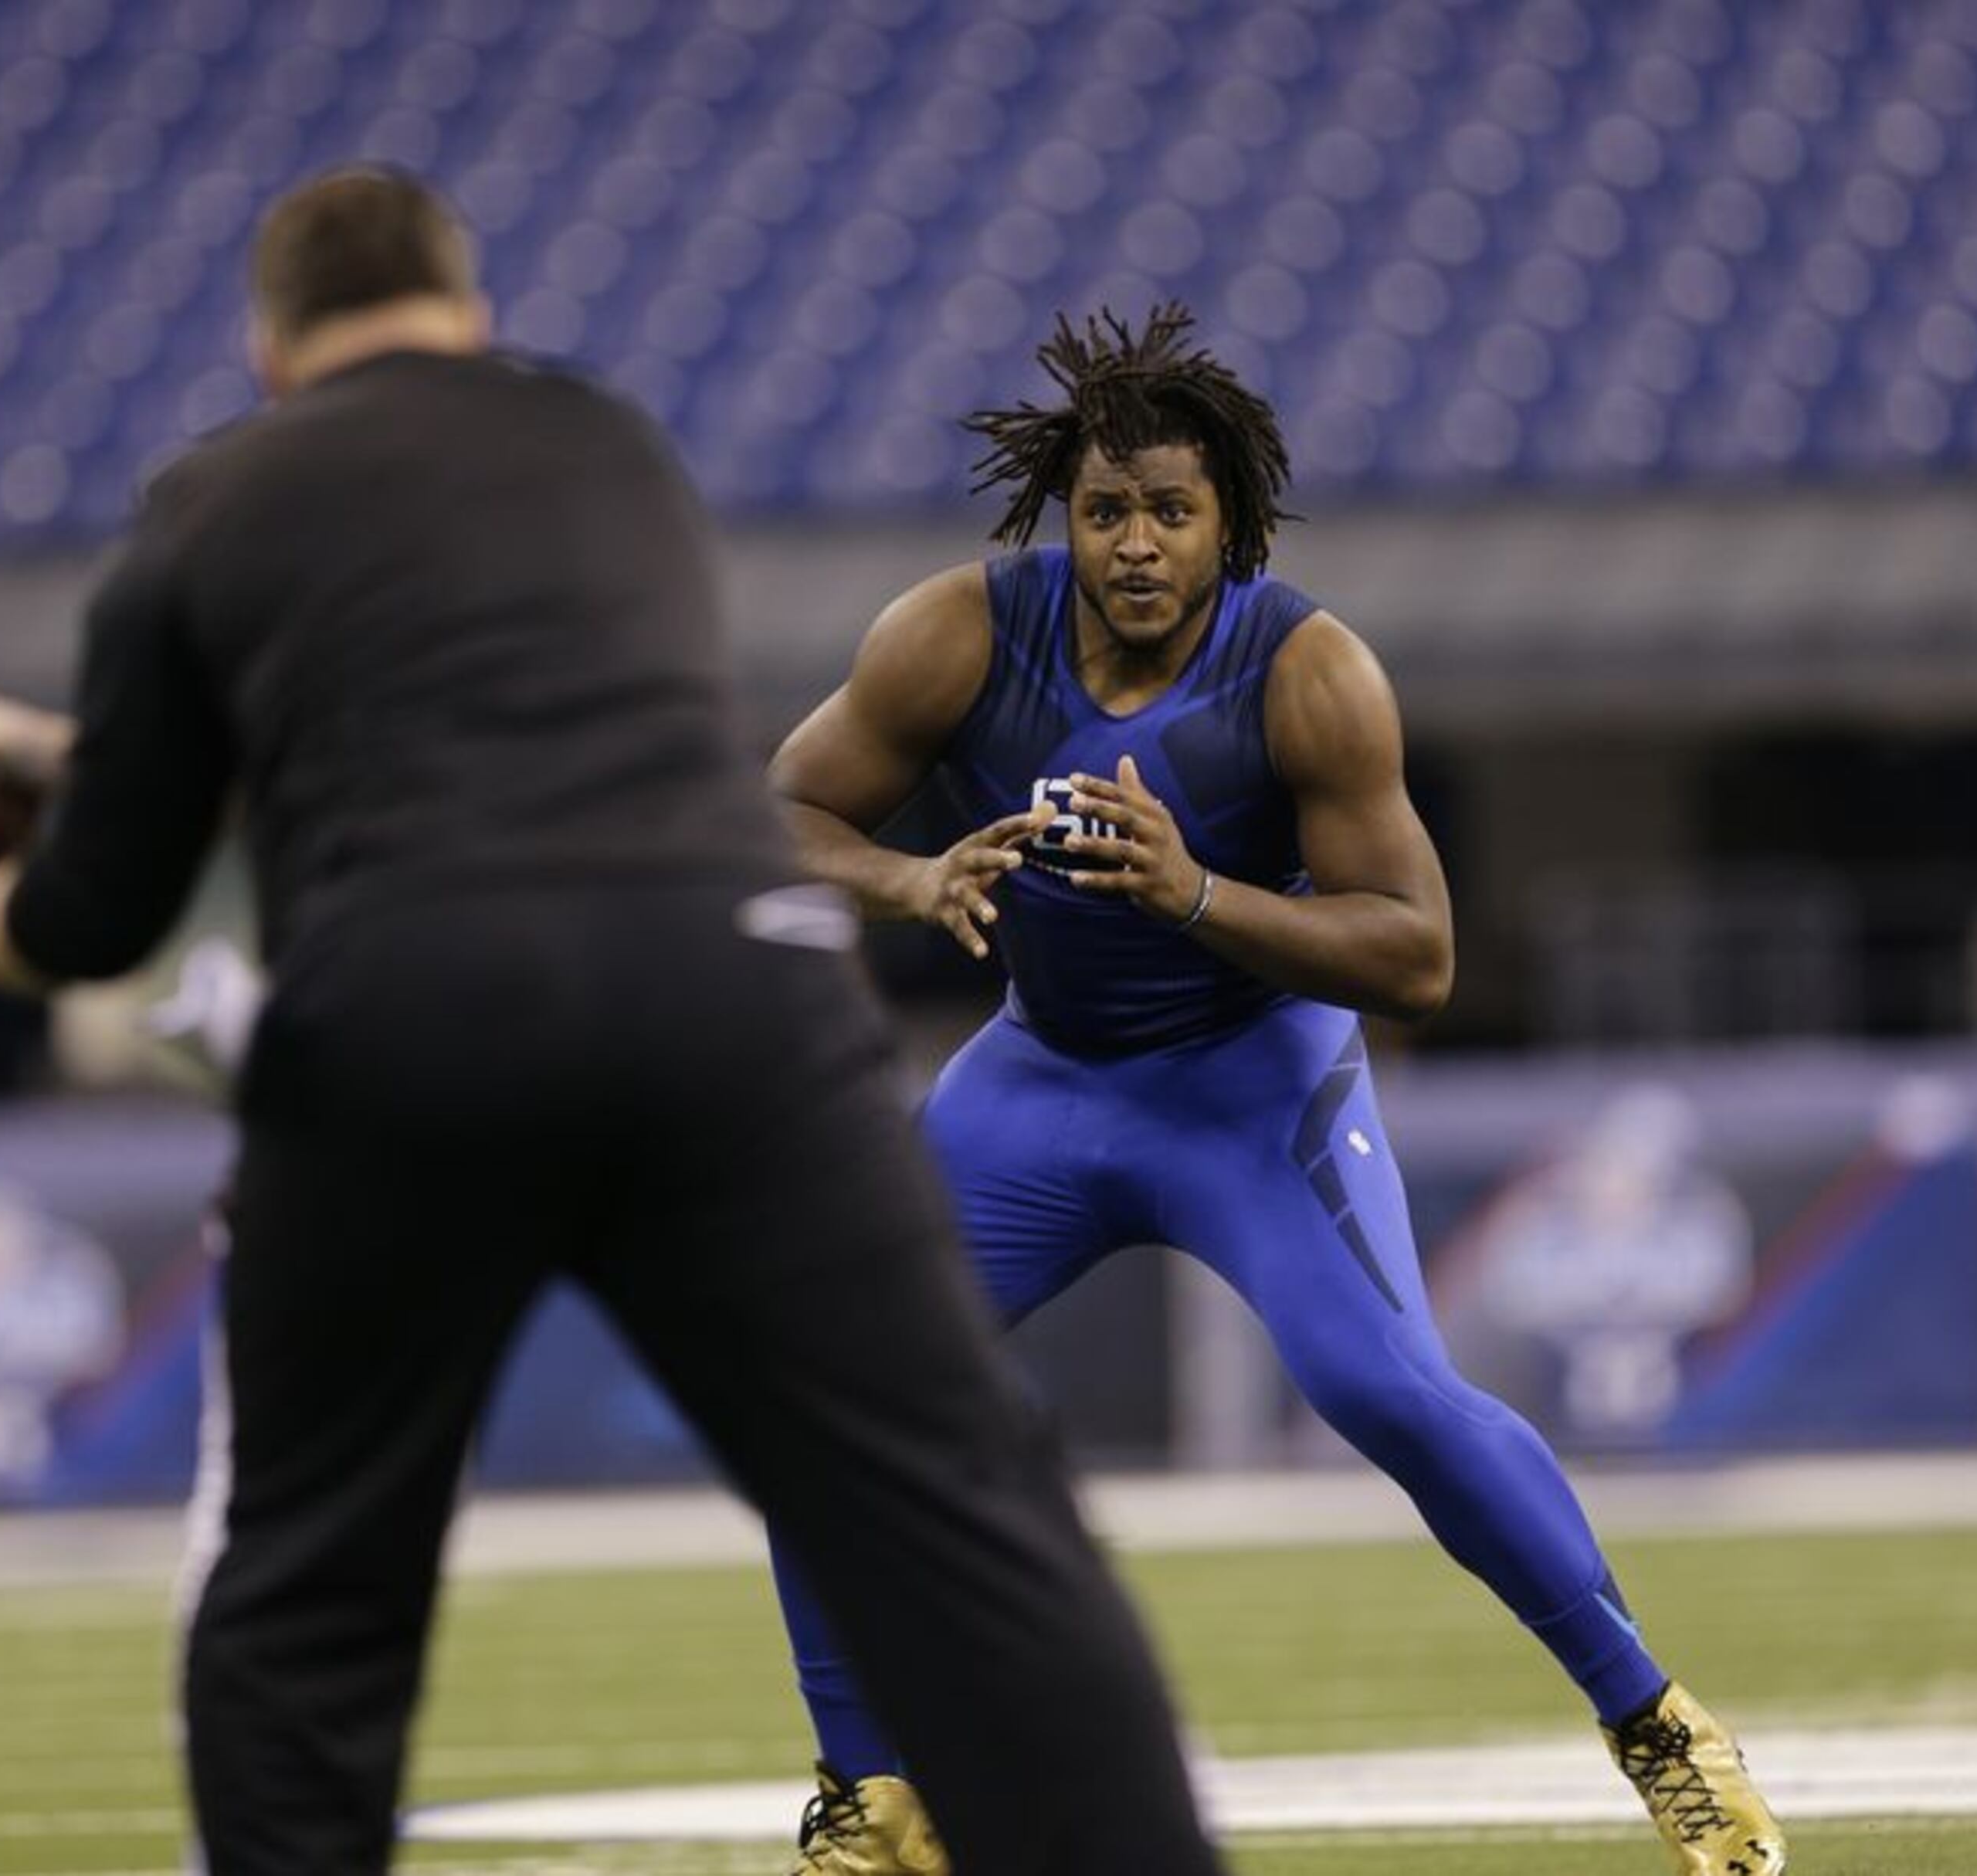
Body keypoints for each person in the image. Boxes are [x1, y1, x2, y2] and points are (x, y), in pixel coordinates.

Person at [0, 167, 1230, 1876]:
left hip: (414, 1001)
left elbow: (103, 900)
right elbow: (484, 731)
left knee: (309, 1596)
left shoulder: (210, 502)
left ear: (269, 352)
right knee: (969, 1522)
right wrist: (81, 759)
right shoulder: (606, 452)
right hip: (727, 982)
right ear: (470, 319)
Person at [759, 304, 1787, 1876]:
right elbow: (778, 813)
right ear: (1063, 516)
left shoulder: (1309, 672)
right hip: (1042, 1078)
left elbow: (1418, 957)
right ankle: (873, 1806)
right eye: (1108, 510)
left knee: (1388, 1392)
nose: (1136, 544)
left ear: (1229, 520)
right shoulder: (954, 634)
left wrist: (1193, 895)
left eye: (1171, 511)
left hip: (1251, 1086)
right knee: (825, 1386)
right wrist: (908, 883)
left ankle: (1660, 1728)